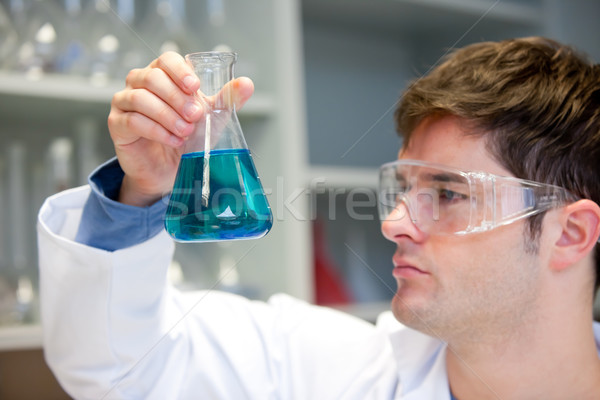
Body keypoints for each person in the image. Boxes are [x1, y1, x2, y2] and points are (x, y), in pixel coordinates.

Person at [37, 37, 600, 399]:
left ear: (569, 233)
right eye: (402, 188)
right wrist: (139, 191)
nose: (394, 222)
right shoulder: (333, 371)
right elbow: (124, 370)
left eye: (449, 193)